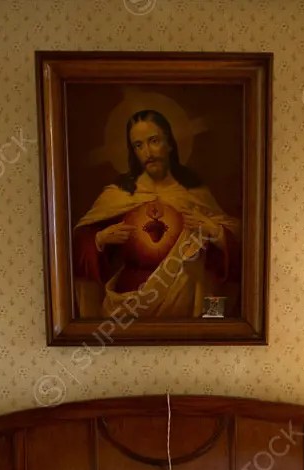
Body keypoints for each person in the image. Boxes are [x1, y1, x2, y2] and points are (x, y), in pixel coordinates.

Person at [72, 109, 239, 318]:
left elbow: (240, 243)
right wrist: (99, 239)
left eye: (154, 141)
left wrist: (215, 231)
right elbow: (77, 246)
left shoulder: (194, 193)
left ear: (169, 143)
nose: (148, 153)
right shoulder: (118, 194)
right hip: (129, 304)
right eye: (138, 145)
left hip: (186, 300)